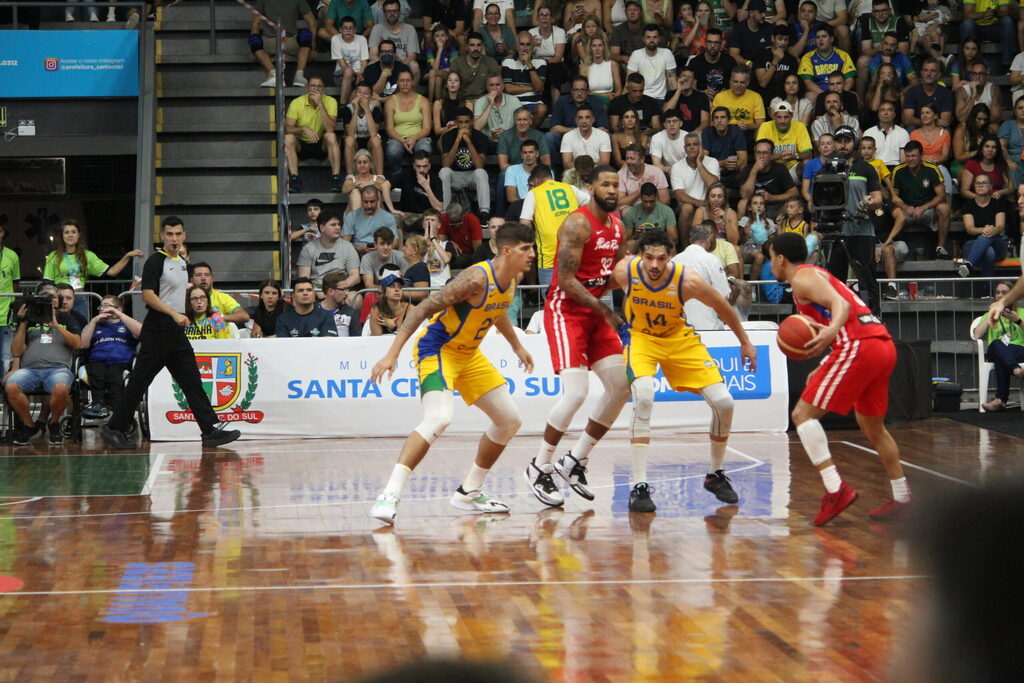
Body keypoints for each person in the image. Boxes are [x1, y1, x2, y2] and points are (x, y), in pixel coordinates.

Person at [368, 223, 536, 524]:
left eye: (533, 248)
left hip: (469, 355)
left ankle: (469, 491)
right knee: (439, 418)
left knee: (510, 420)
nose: (532, 255)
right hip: (437, 349)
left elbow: (496, 312)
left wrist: (517, 346)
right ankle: (388, 495)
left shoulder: (513, 278)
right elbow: (421, 310)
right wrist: (392, 354)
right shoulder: (473, 279)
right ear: (507, 250)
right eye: (526, 249)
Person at [770, 231, 912, 525]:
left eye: (771, 257)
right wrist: (827, 358)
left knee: (802, 415)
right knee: (873, 427)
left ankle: (836, 489)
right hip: (880, 345)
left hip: (858, 345)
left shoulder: (802, 278)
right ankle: (903, 496)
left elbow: (842, 307)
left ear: (779, 258)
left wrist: (833, 332)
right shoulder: (815, 275)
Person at [612, 228, 757, 512]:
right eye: (649, 258)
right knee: (643, 396)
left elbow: (724, 309)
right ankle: (639, 485)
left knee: (725, 402)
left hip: (679, 339)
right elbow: (595, 288)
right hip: (641, 338)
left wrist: (745, 342)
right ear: (640, 256)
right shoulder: (625, 270)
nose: (654, 265)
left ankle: (715, 474)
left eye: (661, 259)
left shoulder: (687, 280)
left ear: (671, 257)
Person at [524, 165, 629, 508]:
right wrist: (607, 312)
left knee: (621, 386)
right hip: (566, 311)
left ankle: (576, 459)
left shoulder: (617, 225)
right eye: (605, 184)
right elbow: (567, 280)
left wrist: (631, 276)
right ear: (590, 187)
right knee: (576, 393)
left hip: (595, 311)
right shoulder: (577, 223)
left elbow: (609, 276)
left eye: (616, 184)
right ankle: (540, 465)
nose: (612, 189)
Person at [101, 217, 241, 450]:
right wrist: (174, 314)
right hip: (159, 326)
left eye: (178, 234)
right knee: (140, 380)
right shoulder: (156, 261)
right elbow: (148, 295)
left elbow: (176, 291)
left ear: (184, 236)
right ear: (162, 236)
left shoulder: (182, 263)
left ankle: (209, 430)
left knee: (191, 379)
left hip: (174, 329)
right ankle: (114, 427)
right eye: (169, 234)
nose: (174, 239)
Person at [4, 282, 81, 445]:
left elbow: (77, 344)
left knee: (61, 388)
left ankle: (53, 423)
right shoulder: (30, 320)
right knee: (11, 386)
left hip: (57, 370)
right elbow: (17, 351)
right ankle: (29, 425)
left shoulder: (66, 318)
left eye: (52, 296)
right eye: (44, 296)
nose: (49, 299)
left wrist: (56, 325)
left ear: (58, 300)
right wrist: (23, 323)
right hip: (30, 370)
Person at [819, 125, 884, 315]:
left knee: (867, 279)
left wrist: (868, 203)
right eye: (839, 141)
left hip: (861, 229)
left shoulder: (865, 168)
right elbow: (816, 198)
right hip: (835, 230)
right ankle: (838, 324)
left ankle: (874, 320)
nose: (842, 145)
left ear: (854, 143)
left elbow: (878, 198)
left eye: (847, 140)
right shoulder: (825, 168)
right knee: (835, 282)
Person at [43, 218, 142, 320]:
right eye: (66, 232)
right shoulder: (54, 256)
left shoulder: (88, 256)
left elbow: (112, 272)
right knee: (60, 326)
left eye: (73, 232)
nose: (70, 235)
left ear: (79, 235)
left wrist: (128, 256)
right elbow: (47, 282)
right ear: (62, 236)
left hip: (80, 297)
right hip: (61, 298)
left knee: (82, 328)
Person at [520, 164, 592, 287]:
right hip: (575, 252)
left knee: (550, 298)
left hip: (549, 256)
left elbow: (524, 222)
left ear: (535, 180)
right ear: (551, 176)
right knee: (577, 296)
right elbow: (593, 203)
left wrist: (528, 244)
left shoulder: (534, 193)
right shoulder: (570, 188)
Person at [80, 294, 139, 420]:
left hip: (120, 361)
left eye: (106, 306)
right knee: (97, 373)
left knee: (114, 376)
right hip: (97, 360)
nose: (102, 309)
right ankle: (98, 405)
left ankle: (118, 410)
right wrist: (94, 320)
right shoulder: (95, 325)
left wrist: (120, 315)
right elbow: (83, 344)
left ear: (119, 308)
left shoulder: (126, 324)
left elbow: (141, 332)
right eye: (100, 306)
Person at [891, 139, 952, 259]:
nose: (910, 159)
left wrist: (924, 207)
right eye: (907, 156)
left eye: (914, 156)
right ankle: (892, 248)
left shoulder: (931, 169)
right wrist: (905, 207)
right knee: (890, 211)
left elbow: (942, 195)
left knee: (944, 208)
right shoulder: (898, 171)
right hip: (906, 211)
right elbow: (893, 197)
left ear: (921, 155)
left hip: (927, 209)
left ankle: (940, 248)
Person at [971, 280, 1024, 412]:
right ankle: (1017, 371)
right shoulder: (987, 315)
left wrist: (1018, 321)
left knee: (1002, 358)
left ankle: (1001, 400)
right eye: (997, 293)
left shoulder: (1021, 312)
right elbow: (976, 335)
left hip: (1018, 350)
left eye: (1004, 293)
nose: (1000, 296)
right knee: (996, 343)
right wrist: (990, 317)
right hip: (995, 350)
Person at [284, 76, 342, 194]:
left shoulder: (330, 101)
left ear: (324, 90)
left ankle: (335, 178)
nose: (316, 89)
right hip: (301, 144)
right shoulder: (297, 103)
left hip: (321, 143)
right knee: (288, 138)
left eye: (319, 86)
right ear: (307, 88)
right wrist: (302, 129)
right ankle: (294, 179)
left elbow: (330, 128)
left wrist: (320, 104)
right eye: (313, 86)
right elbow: (287, 128)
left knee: (331, 136)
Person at [672, 221, 733, 328]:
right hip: (707, 323)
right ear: (708, 239)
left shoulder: (673, 261)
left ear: (690, 240)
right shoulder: (711, 260)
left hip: (679, 325)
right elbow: (723, 293)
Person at [546, 77, 611, 170]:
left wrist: (586, 131)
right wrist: (578, 130)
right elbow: (554, 128)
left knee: (607, 136)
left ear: (588, 91)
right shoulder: (562, 101)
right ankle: (556, 171)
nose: (579, 93)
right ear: (571, 91)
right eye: (576, 90)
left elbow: (604, 129)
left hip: (592, 137)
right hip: (565, 137)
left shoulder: (596, 102)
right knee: (550, 137)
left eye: (582, 90)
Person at [250, 0, 316, 88]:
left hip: (269, 43)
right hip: (290, 42)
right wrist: (313, 48)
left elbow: (256, 23)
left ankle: (273, 74)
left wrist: (254, 51)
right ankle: (299, 74)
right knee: (305, 35)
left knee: (254, 39)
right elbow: (312, 23)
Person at [671, 132, 721, 246]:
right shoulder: (677, 167)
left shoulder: (712, 162)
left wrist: (699, 162)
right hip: (688, 205)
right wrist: (698, 203)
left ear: (701, 146)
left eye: (695, 144)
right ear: (685, 148)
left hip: (710, 204)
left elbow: (713, 185)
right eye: (689, 145)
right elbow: (679, 194)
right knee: (687, 208)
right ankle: (685, 247)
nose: (692, 147)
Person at [440, 107, 492, 215]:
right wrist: (457, 141)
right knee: (444, 172)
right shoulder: (448, 136)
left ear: (472, 121)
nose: (464, 125)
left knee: (481, 173)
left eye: (467, 122)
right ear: (455, 123)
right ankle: (445, 212)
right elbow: (446, 164)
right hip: (455, 176)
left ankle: (484, 213)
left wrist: (468, 142)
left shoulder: (480, 137)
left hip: (471, 176)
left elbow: (479, 165)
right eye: (460, 122)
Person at [958, 175, 1009, 281]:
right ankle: (987, 292)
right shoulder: (968, 205)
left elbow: (1000, 226)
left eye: (984, 183)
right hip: (972, 244)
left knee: (988, 238)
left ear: (990, 186)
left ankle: (968, 264)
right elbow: (969, 228)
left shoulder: (998, 204)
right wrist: (984, 230)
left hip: (997, 243)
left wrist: (993, 230)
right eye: (977, 183)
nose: (980, 185)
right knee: (989, 252)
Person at [383, 70, 432, 177]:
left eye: (408, 80)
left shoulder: (423, 101)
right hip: (397, 137)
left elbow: (427, 128)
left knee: (425, 148)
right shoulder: (390, 101)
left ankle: (422, 177)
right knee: (393, 151)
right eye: (402, 80)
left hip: (419, 137)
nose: (405, 83)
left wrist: (414, 138)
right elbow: (390, 129)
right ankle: (397, 176)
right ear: (398, 82)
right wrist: (402, 140)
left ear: (413, 82)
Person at [856, 2, 911, 95]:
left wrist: (888, 49)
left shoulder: (899, 21)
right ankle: (860, 100)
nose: (880, 14)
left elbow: (903, 51)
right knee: (862, 61)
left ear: (890, 11)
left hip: (895, 56)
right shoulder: (868, 22)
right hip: (876, 56)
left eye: (883, 10)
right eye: (876, 11)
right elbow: (865, 50)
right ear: (872, 12)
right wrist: (878, 49)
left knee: (899, 59)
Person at [298, 212, 361, 291]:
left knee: (356, 298)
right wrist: (317, 291)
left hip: (341, 290)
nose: (338, 227)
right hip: (317, 291)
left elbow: (355, 277)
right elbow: (304, 280)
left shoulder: (348, 247)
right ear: (322, 228)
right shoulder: (308, 249)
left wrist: (338, 289)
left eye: (339, 224)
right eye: (333, 225)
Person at [738, 137, 798, 219]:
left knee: (790, 204)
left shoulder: (780, 169)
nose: (761, 156)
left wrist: (772, 198)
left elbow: (794, 193)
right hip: (755, 207)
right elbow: (744, 195)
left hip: (775, 206)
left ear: (771, 155)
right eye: (758, 153)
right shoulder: (748, 169)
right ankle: (741, 230)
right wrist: (754, 170)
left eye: (765, 153)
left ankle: (781, 230)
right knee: (742, 203)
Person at [694, 182, 742, 277]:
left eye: (720, 196)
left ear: (724, 199)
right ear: (708, 198)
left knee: (737, 249)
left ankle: (740, 283)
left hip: (724, 246)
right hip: (706, 245)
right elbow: (695, 237)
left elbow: (735, 241)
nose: (716, 199)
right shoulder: (701, 211)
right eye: (713, 196)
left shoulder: (731, 213)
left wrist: (725, 219)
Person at [796, 25, 855, 101]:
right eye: (818, 37)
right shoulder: (807, 57)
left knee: (854, 96)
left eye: (824, 36)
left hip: (840, 93)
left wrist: (840, 95)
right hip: (818, 94)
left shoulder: (843, 55)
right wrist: (824, 95)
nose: (820, 40)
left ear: (831, 39)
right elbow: (807, 82)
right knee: (809, 96)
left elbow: (849, 80)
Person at [755, 100, 812, 177]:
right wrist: (780, 155)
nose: (782, 121)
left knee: (807, 163)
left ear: (791, 117)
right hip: (771, 168)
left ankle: (804, 189)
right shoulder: (765, 126)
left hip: (793, 169)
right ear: (774, 117)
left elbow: (808, 154)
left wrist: (795, 156)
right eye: (779, 117)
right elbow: (759, 156)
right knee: (761, 162)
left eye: (786, 117)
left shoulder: (799, 126)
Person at [502, 31, 549, 126]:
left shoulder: (541, 62)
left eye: (528, 44)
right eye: (522, 44)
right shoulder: (507, 61)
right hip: (513, 102)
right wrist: (532, 88)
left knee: (542, 109)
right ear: (517, 45)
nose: (525, 48)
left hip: (533, 102)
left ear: (532, 46)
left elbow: (539, 87)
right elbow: (508, 89)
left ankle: (529, 135)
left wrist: (529, 65)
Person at [369, 0, 421, 84]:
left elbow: (412, 56)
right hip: (382, 65)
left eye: (395, 11)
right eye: (389, 11)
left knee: (414, 65)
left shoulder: (410, 29)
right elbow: (372, 55)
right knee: (370, 64)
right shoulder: (377, 28)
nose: (392, 13)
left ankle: (411, 96)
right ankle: (373, 94)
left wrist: (396, 66)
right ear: (384, 13)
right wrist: (385, 66)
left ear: (400, 12)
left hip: (402, 64)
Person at [712, 65, 765, 146]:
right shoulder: (720, 97)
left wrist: (749, 126)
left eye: (742, 82)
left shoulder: (756, 97)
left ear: (748, 83)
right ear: (730, 81)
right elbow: (712, 122)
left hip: (746, 134)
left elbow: (761, 123)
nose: (738, 85)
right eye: (735, 82)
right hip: (724, 133)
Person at [394, 150, 444, 235]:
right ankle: (400, 247)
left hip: (424, 216)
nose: (421, 169)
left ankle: (430, 246)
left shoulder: (436, 180)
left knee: (434, 220)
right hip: (406, 215)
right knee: (394, 218)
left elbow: (438, 208)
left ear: (429, 166)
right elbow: (385, 185)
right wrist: (392, 209)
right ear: (414, 165)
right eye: (418, 166)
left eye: (425, 166)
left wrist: (427, 188)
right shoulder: (406, 175)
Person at [342, 84, 385, 179]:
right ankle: (350, 176)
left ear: (370, 97)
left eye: (366, 93)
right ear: (355, 94)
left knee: (376, 139)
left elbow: (373, 132)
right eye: (359, 92)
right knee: (349, 139)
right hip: (355, 143)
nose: (361, 96)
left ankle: (380, 176)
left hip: (369, 142)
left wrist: (366, 109)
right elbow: (350, 133)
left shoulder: (375, 109)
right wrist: (356, 110)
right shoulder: (347, 109)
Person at [627, 24, 676, 105]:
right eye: (648, 37)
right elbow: (630, 82)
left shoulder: (667, 53)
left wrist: (670, 101)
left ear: (659, 39)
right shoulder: (636, 54)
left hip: (661, 99)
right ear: (643, 39)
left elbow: (673, 84)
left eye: (654, 37)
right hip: (641, 98)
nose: (651, 40)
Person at [342, 185, 399, 254]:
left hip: (381, 252)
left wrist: (381, 248)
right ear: (361, 199)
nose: (369, 206)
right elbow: (345, 243)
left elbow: (395, 243)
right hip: (357, 253)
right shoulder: (352, 216)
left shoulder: (388, 217)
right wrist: (357, 249)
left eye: (372, 202)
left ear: (378, 199)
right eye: (366, 202)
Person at [529, 3, 569, 104]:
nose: (544, 18)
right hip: (536, 63)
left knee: (553, 70)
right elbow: (528, 55)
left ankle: (556, 107)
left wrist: (543, 63)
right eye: (542, 15)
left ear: (551, 18)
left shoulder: (559, 32)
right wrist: (532, 45)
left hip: (555, 64)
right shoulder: (532, 32)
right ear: (538, 18)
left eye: (547, 15)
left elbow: (558, 57)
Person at [189, 262, 250, 326]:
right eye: (198, 275)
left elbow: (244, 316)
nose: (203, 278)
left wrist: (221, 317)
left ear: (212, 279)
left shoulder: (223, 298)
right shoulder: (184, 298)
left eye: (207, 275)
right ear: (192, 280)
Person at [961, 0, 1017, 69]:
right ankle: (967, 64)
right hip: (976, 28)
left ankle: (1008, 65)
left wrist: (995, 12)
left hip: (994, 28)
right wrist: (983, 15)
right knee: (967, 24)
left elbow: (1005, 12)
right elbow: (967, 13)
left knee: (1007, 21)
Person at [754, 23, 799, 107]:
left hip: (784, 100)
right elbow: (763, 83)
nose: (783, 43)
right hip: (764, 99)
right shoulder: (761, 56)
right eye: (780, 39)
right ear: (773, 38)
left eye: (786, 40)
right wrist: (775, 61)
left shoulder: (791, 60)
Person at [623, 182, 676, 251]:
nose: (648, 204)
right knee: (630, 244)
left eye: (651, 201)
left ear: (656, 197)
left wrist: (659, 236)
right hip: (639, 245)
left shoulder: (667, 211)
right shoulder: (631, 212)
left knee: (672, 244)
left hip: (660, 244)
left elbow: (673, 238)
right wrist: (636, 236)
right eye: (645, 201)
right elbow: (625, 239)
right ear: (641, 197)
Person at [902, 58, 954, 129]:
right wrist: (931, 122)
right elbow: (908, 120)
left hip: (937, 128)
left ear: (939, 75)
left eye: (933, 71)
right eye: (926, 70)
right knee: (911, 128)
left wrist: (928, 122)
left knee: (946, 129)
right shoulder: (911, 92)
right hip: (918, 127)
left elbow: (945, 121)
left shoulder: (946, 93)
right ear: (922, 73)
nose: (929, 74)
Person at [960, 134, 1013, 202]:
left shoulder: (1001, 164)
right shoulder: (972, 164)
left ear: (997, 150)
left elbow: (1011, 188)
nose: (990, 150)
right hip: (976, 201)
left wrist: (1001, 192)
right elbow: (964, 191)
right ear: (982, 148)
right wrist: (982, 199)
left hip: (997, 201)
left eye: (994, 147)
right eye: (987, 146)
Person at [450, 32, 502, 101]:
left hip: (485, 101)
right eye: (472, 45)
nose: (475, 48)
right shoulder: (457, 63)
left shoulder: (491, 63)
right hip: (462, 101)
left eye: (478, 45)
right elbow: (451, 88)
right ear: (466, 47)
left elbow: (498, 86)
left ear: (482, 46)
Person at [617, 143, 670, 210]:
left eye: (632, 159)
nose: (628, 162)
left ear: (642, 159)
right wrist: (639, 191)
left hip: (653, 210)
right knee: (625, 210)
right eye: (627, 158)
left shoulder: (656, 172)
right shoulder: (621, 174)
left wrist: (651, 211)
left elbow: (665, 200)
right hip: (633, 212)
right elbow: (620, 203)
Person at [560, 104, 613, 170]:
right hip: (575, 171)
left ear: (593, 119)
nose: (584, 121)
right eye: (580, 118)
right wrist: (585, 168)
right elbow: (567, 164)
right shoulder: (568, 136)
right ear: (576, 120)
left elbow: (605, 162)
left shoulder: (603, 135)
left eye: (587, 117)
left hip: (596, 171)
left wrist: (587, 168)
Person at [688, 27, 737, 97]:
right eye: (709, 42)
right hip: (701, 101)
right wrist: (702, 93)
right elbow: (690, 89)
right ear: (705, 43)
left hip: (725, 101)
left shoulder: (730, 62)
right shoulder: (695, 62)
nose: (712, 46)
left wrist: (726, 93)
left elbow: (737, 85)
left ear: (721, 44)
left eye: (716, 43)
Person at [473, 74, 522, 144]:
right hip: (487, 141)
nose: (494, 88)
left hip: (510, 140)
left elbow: (522, 124)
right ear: (487, 87)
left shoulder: (514, 100)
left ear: (503, 87)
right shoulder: (480, 102)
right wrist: (490, 105)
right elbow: (477, 127)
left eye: (497, 85)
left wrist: (507, 133)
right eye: (491, 85)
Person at [331, 16, 370, 104]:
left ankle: (346, 110)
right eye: (345, 28)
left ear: (355, 30)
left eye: (350, 28)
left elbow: (364, 62)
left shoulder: (361, 39)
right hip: (341, 74)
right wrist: (357, 75)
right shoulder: (335, 39)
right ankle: (342, 104)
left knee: (364, 80)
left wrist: (360, 74)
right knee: (348, 71)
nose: (348, 30)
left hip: (360, 74)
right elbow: (343, 65)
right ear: (340, 29)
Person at [662, 65, 710, 133]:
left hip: (694, 134)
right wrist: (679, 90)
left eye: (690, 77)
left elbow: (705, 122)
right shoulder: (671, 94)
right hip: (674, 133)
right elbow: (666, 112)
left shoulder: (702, 97)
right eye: (684, 76)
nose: (686, 79)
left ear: (694, 81)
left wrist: (694, 134)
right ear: (678, 78)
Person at [863, 99, 909, 168]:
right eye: (882, 110)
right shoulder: (869, 132)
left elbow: (904, 160)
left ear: (894, 114)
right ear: (878, 114)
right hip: (875, 168)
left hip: (895, 168)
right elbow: (866, 157)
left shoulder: (902, 132)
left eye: (889, 110)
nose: (886, 113)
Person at [0, 223, 21, 372]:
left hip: (5, 316)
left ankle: (2, 393)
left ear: (2, 233)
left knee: (5, 357)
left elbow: (15, 282)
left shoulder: (11, 255)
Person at [439, 202, 484, 269]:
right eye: (452, 223)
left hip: (470, 253)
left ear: (463, 215)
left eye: (459, 222)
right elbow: (441, 242)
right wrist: (450, 243)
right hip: (451, 253)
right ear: (447, 217)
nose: (456, 225)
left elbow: (477, 249)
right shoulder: (443, 218)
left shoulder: (472, 220)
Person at [320, 271, 363, 336]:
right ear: (330, 291)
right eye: (343, 289)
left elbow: (356, 340)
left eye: (347, 289)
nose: (347, 293)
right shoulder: (313, 311)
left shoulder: (351, 313)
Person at [504, 139, 542, 205]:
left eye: (531, 152)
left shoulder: (546, 171)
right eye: (525, 153)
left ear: (537, 154)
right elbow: (511, 197)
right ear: (521, 155)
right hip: (520, 206)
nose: (528, 156)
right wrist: (527, 207)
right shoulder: (512, 170)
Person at [400, 234, 432, 303]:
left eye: (406, 246)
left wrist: (399, 293)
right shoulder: (414, 267)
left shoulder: (420, 267)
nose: (403, 248)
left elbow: (422, 293)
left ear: (415, 250)